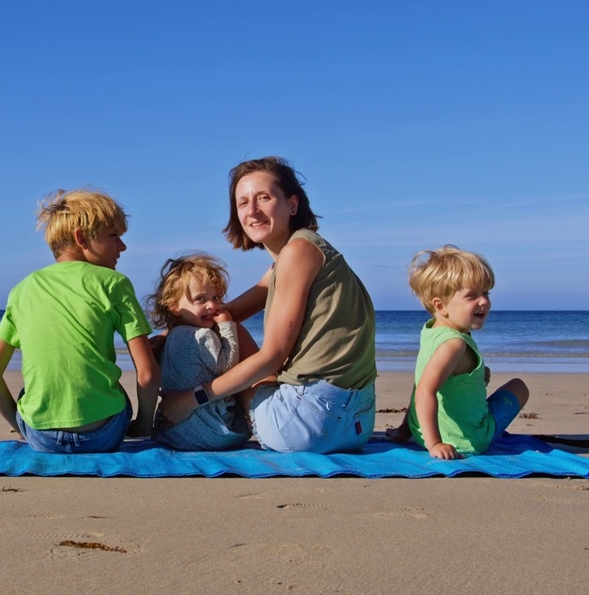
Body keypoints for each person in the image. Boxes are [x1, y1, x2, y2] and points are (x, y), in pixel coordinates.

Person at [159, 157, 378, 454]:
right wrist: (166, 337)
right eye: (243, 202)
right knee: (224, 322)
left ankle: (203, 421)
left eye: (264, 198)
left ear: (292, 205)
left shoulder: (297, 253)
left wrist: (191, 399)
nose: (252, 211)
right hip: (357, 424)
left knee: (230, 330)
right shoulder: (300, 254)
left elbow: (272, 356)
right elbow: (229, 311)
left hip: (306, 425)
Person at [0, 188, 160, 454]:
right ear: (81, 238)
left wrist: (25, 430)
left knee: (27, 397)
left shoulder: (21, 291)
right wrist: (143, 425)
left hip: (42, 439)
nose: (123, 246)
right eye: (114, 236)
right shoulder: (114, 284)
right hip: (104, 435)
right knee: (113, 392)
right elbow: (147, 374)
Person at [392, 246, 530, 459]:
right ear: (441, 306)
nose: (483, 301)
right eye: (471, 296)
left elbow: (421, 383)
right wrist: (435, 444)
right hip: (466, 440)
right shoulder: (455, 344)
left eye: (485, 293)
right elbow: (423, 393)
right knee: (519, 387)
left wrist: (405, 429)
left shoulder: (431, 331)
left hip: (421, 433)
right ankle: (477, 433)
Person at [146, 253, 254, 451]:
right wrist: (228, 327)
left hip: (173, 431)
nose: (212, 305)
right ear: (174, 306)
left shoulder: (170, 338)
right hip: (212, 431)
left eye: (216, 297)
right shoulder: (203, 336)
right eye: (200, 299)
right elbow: (227, 368)